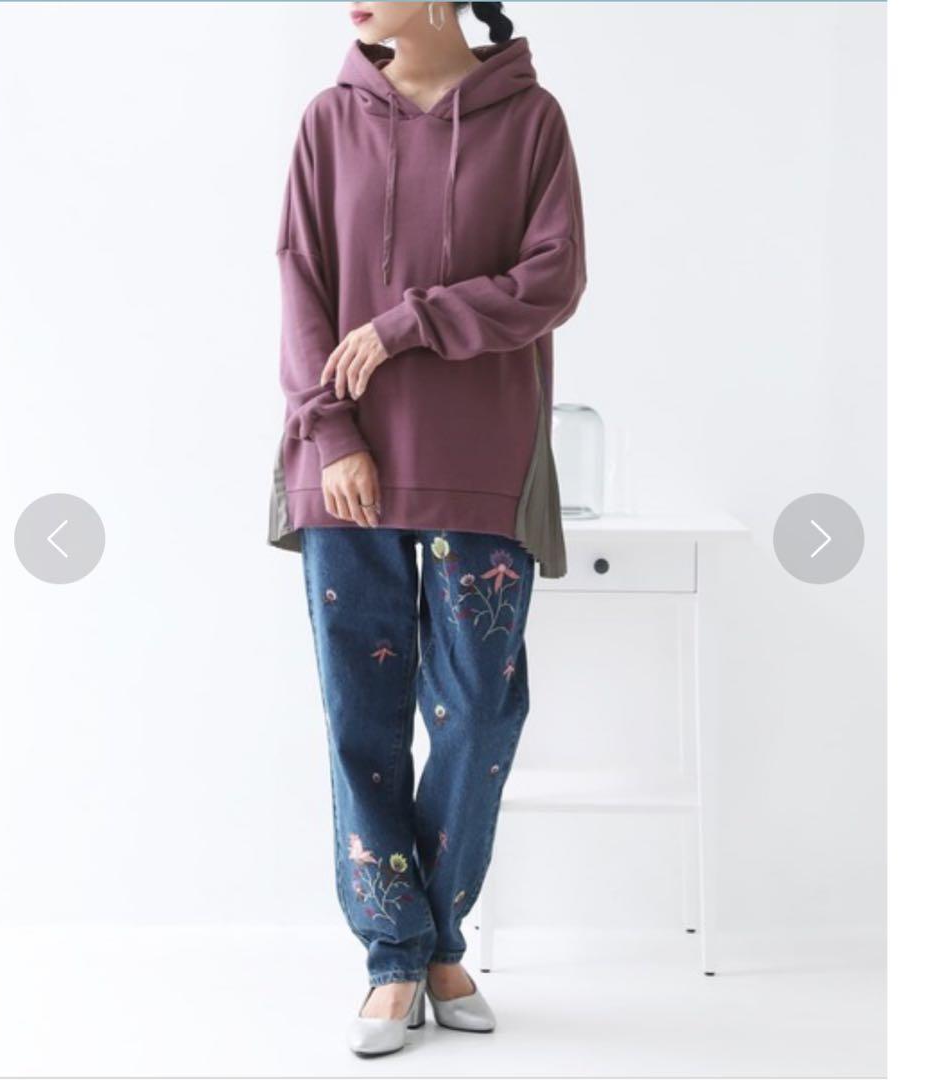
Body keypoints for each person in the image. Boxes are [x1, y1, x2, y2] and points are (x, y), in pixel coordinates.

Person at [267, 0, 586, 1056]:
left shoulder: (530, 119)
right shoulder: (329, 120)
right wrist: (329, 434)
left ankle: (440, 936)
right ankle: (398, 958)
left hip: (482, 461)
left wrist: (410, 322)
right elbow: (300, 284)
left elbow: (553, 280)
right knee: (361, 719)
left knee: (479, 712)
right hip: (348, 464)